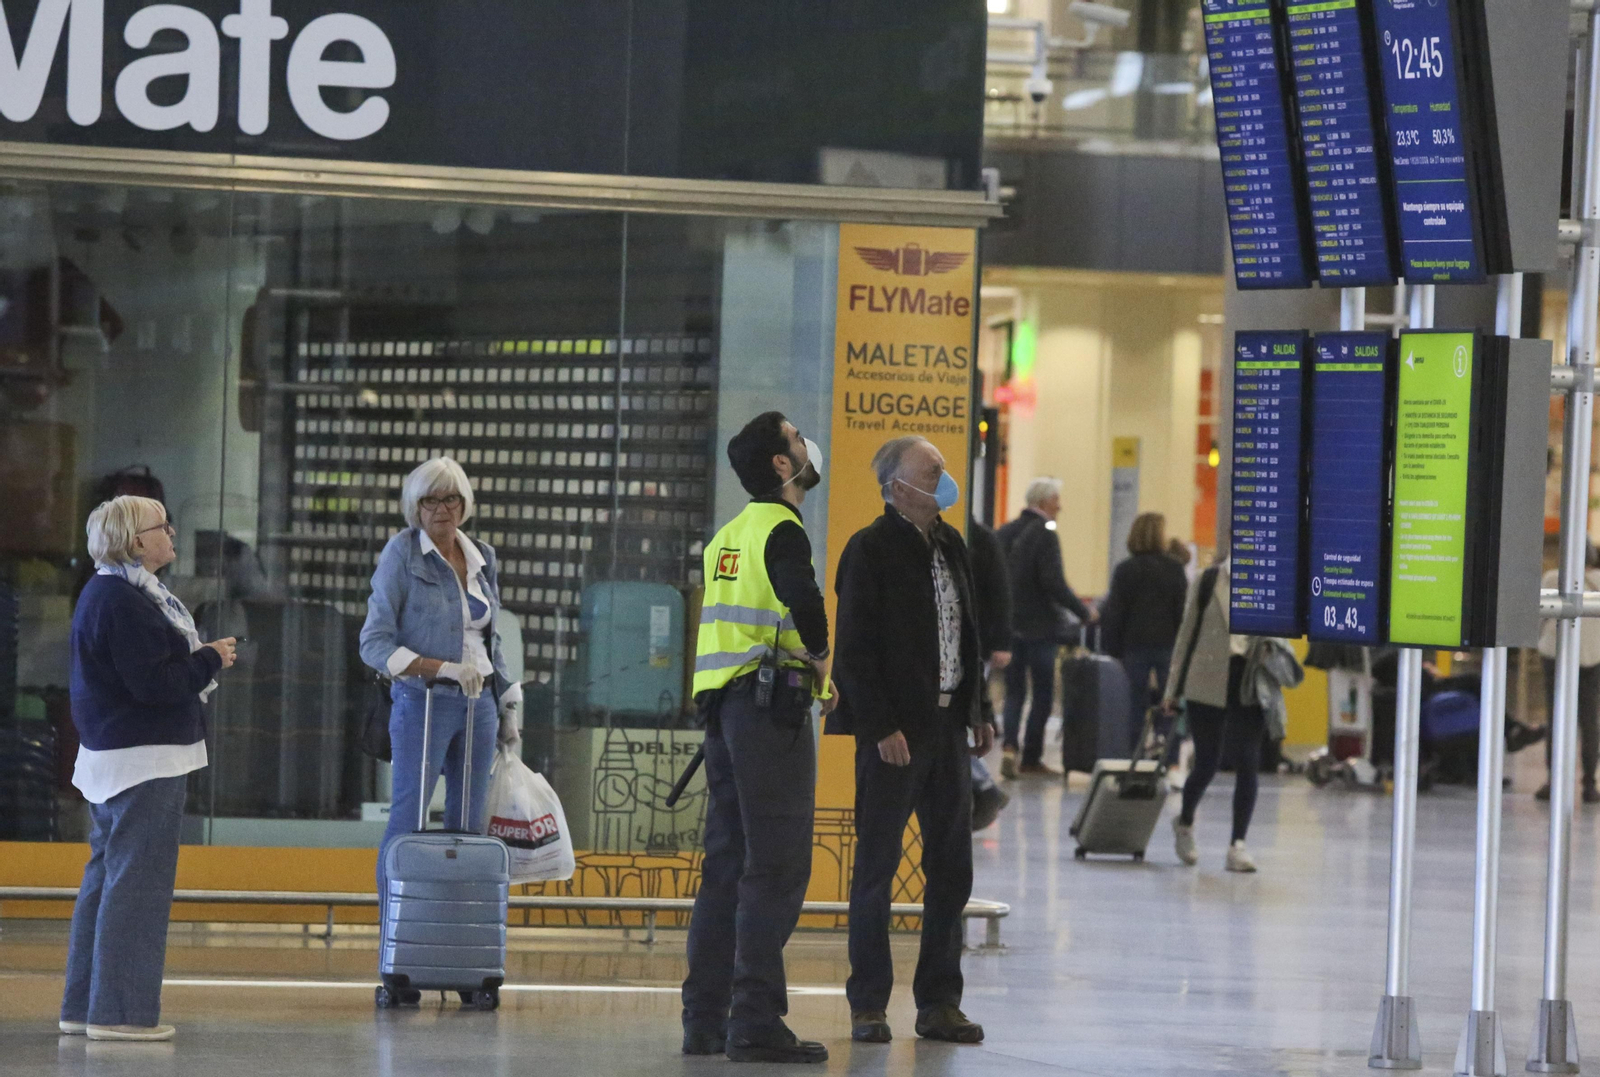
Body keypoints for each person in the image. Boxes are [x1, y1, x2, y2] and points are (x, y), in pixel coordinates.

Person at [680, 412, 836, 1065]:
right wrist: (824, 655)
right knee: (776, 865)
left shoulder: (728, 536)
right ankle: (756, 1017)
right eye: (797, 438)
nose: (805, 445)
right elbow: (804, 602)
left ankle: (705, 1019)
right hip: (770, 713)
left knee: (727, 864)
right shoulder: (782, 527)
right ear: (781, 463)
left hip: (721, 713)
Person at [831, 436, 988, 1046]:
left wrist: (979, 706)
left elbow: (970, 632)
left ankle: (940, 1003)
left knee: (952, 867)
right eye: (934, 471)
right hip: (895, 734)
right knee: (876, 866)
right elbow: (854, 652)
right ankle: (868, 1003)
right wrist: (879, 727)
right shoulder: (868, 550)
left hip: (950, 728)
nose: (945, 479)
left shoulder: (952, 546)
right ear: (899, 487)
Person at [62, 496, 237, 1042]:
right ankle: (119, 1014)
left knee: (106, 882)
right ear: (137, 541)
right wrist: (208, 657)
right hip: (145, 758)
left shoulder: (106, 592)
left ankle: (84, 1005)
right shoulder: (125, 601)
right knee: (138, 887)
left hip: (114, 757)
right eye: (164, 526)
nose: (172, 531)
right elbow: (154, 685)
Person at [360, 458, 522, 925]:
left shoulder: (482, 556)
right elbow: (374, 643)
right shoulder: (401, 553)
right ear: (415, 507)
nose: (441, 509)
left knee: (468, 825)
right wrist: (443, 668)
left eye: (450, 498)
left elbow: (489, 639)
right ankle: (399, 930)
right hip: (423, 701)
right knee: (409, 821)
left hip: (480, 705)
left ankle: (457, 932)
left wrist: (508, 702)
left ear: (464, 503)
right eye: (429, 500)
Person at [1162, 557, 1263, 873]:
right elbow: (1186, 636)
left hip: (1250, 681)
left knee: (1248, 762)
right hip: (1206, 679)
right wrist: (1171, 690)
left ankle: (1238, 845)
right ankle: (1186, 821)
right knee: (1208, 761)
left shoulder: (1270, 582)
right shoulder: (1209, 581)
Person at [996, 476, 1095, 778]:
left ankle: (1009, 747)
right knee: (1041, 694)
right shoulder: (1046, 534)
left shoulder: (1005, 532)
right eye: (1056, 500)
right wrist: (1083, 611)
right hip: (1040, 629)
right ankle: (1031, 758)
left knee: (1014, 692)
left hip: (1009, 627)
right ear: (1042, 501)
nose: (1060, 506)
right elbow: (1053, 582)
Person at [1100, 512, 1189, 754]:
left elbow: (1114, 613)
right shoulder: (1174, 568)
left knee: (1134, 706)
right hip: (1168, 645)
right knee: (1170, 703)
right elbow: (1182, 612)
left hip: (1134, 646)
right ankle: (1166, 755)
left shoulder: (1124, 570)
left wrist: (1112, 649)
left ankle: (1133, 755)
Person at [1536, 546, 1600, 803]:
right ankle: (1589, 784)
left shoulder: (1553, 578)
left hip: (1556, 655)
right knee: (1590, 720)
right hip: (1593, 656)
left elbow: (1539, 616)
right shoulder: (1598, 581)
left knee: (1557, 718)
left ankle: (1554, 782)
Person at [965, 516, 1012, 829]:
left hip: (976, 644)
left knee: (956, 723)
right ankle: (984, 785)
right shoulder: (975, 538)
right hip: (975, 642)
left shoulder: (980, 539)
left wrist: (1000, 642)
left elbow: (999, 592)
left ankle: (984, 785)